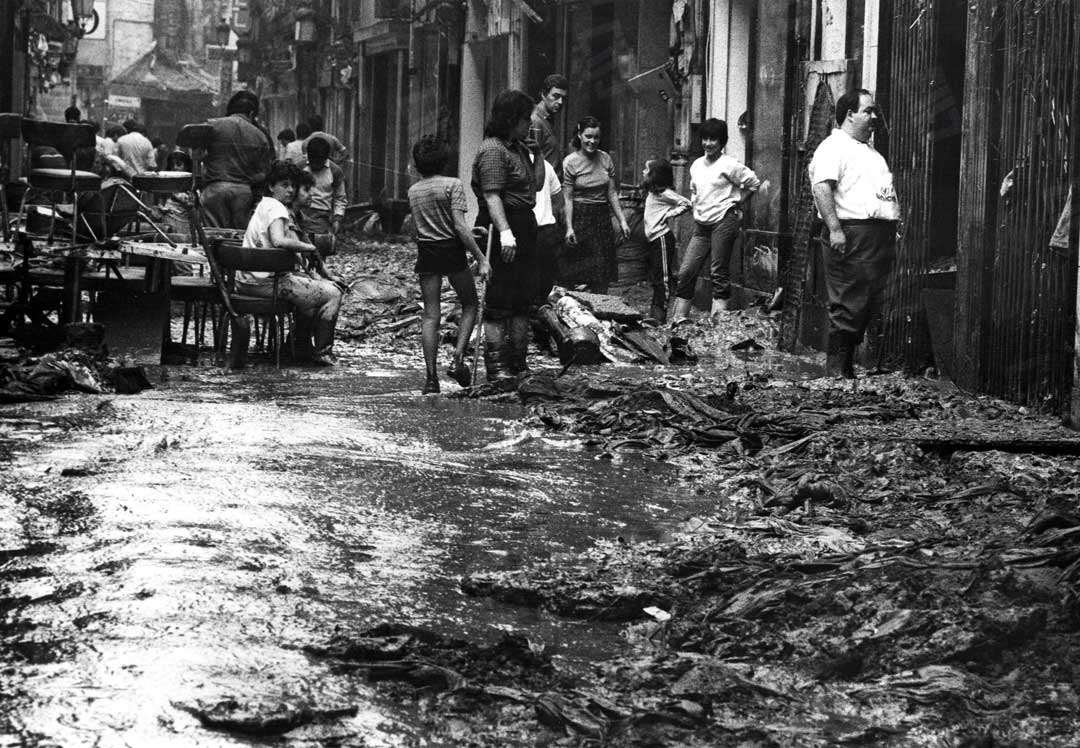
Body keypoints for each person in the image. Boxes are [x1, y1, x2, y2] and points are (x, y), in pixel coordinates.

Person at [809, 88, 900, 379]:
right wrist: (835, 229)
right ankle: (837, 374)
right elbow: (822, 187)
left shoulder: (871, 153)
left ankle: (857, 370)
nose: (874, 117)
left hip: (877, 237)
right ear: (849, 115)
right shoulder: (833, 147)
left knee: (872, 302)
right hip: (851, 234)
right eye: (868, 111)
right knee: (849, 303)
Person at [471, 89, 546, 381]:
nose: (529, 123)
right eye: (525, 118)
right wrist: (505, 233)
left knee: (523, 298)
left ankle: (518, 361)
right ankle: (497, 366)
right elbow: (492, 196)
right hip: (500, 224)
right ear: (511, 119)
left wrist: (537, 153)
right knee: (499, 300)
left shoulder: (517, 148)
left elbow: (537, 186)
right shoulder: (492, 150)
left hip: (524, 223)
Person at [408, 136, 492, 394]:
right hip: (452, 251)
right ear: (445, 160)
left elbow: (416, 231)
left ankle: (431, 379)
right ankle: (458, 357)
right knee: (470, 304)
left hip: (427, 252)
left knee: (431, 315)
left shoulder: (414, 190)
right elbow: (457, 226)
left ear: (417, 163)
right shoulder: (453, 185)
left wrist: (467, 230)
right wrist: (481, 258)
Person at [239, 160, 343, 367]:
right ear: (271, 186)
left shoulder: (263, 205)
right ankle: (323, 352)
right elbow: (278, 240)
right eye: (284, 185)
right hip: (267, 284)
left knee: (311, 298)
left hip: (247, 280)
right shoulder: (277, 209)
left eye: (292, 186)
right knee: (334, 293)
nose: (289, 190)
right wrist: (309, 248)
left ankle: (297, 346)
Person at [669, 118, 761, 324]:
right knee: (686, 271)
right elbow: (694, 190)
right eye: (705, 139)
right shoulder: (696, 165)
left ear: (722, 142)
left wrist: (737, 203)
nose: (708, 143)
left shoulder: (729, 164)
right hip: (702, 224)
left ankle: (718, 326)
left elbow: (753, 183)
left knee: (718, 272)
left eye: (714, 139)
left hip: (723, 221)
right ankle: (678, 321)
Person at [560, 116, 630, 294]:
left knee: (601, 273)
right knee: (577, 272)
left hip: (601, 218)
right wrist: (569, 227)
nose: (592, 141)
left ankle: (601, 313)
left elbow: (612, 193)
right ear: (580, 135)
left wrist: (622, 221)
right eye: (588, 136)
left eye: (596, 137)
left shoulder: (606, 158)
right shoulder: (570, 162)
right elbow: (567, 198)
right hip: (580, 217)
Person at [201, 91, 275, 229]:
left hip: (214, 190)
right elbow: (264, 173)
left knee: (211, 235)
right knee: (238, 238)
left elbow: (194, 151)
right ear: (252, 114)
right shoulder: (260, 136)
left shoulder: (212, 126)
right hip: (243, 193)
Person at [641, 158, 691, 323]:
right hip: (654, 240)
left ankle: (660, 317)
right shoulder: (652, 192)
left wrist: (668, 215)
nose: (643, 172)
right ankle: (654, 317)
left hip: (662, 238)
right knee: (656, 279)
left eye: (646, 170)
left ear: (655, 175)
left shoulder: (664, 193)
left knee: (663, 280)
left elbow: (686, 203)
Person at [532, 152, 563, 309]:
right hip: (544, 228)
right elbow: (559, 199)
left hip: (541, 229)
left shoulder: (546, 166)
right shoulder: (546, 165)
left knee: (539, 280)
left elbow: (558, 198)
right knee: (542, 280)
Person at [301, 136, 347, 240]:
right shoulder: (300, 167)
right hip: (301, 212)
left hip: (322, 217)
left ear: (326, 157)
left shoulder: (335, 171)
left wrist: (337, 218)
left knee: (318, 247)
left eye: (319, 162)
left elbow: (340, 197)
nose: (316, 166)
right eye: (313, 162)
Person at [530, 73, 568, 172]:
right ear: (543, 94)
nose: (560, 102)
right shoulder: (535, 120)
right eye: (556, 96)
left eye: (563, 98)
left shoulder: (548, 119)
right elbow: (532, 160)